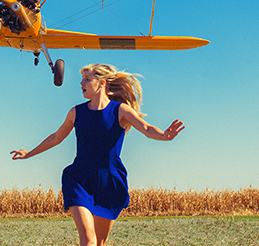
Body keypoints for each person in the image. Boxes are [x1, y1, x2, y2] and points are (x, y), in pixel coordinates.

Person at [11, 63, 184, 246]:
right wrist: (29, 153)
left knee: (99, 243)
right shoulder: (76, 112)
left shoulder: (120, 111)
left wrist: (165, 135)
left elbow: (147, 128)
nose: (81, 83)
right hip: (79, 179)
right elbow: (56, 137)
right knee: (87, 239)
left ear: (102, 83)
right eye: (82, 79)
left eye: (87, 79)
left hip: (110, 182)